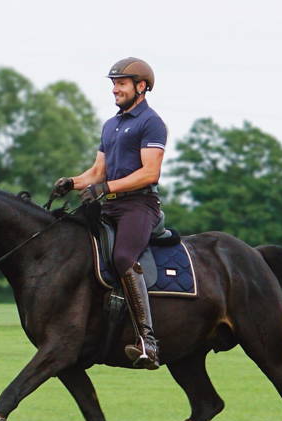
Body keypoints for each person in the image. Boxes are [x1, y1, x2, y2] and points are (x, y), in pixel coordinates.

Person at [52, 57, 167, 370]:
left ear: (141, 87)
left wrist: (107, 187)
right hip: (111, 205)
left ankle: (147, 340)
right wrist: (72, 182)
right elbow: (97, 171)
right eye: (113, 84)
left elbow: (150, 173)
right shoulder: (111, 124)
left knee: (122, 257)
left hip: (139, 206)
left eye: (121, 83)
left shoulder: (150, 122)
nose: (115, 89)